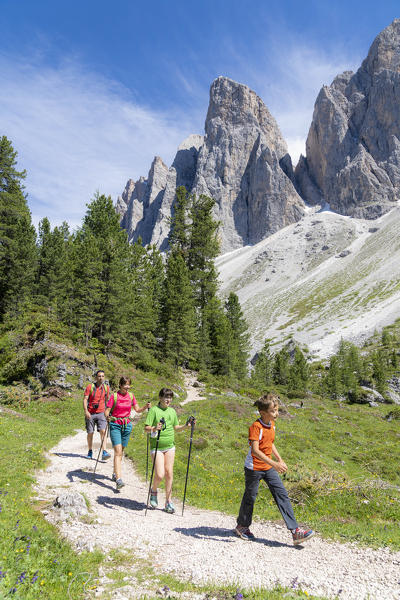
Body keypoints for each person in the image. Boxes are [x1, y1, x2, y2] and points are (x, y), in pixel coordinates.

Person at [235, 392, 314, 546]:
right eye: (273, 411)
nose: (276, 413)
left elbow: (270, 443)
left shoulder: (271, 425)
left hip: (268, 466)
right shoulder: (256, 427)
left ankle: (296, 532)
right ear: (262, 412)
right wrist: (275, 464)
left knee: (282, 494)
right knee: (250, 496)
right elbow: (255, 451)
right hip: (253, 468)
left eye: (277, 410)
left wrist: (279, 458)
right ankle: (242, 526)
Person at [144, 388, 194, 514]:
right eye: (166, 397)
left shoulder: (172, 411)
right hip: (157, 447)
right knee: (160, 474)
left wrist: (185, 426)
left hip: (170, 446)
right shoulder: (154, 411)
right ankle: (154, 491)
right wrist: (154, 428)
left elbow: (176, 427)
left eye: (170, 398)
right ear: (160, 397)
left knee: (169, 473)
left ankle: (168, 502)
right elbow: (146, 428)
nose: (168, 400)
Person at [104, 376, 150, 490]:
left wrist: (145, 407)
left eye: (129, 385)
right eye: (125, 385)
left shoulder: (131, 396)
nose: (127, 387)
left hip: (127, 425)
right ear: (120, 385)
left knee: (121, 451)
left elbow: (137, 409)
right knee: (118, 452)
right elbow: (107, 411)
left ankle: (115, 473)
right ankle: (119, 480)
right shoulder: (114, 396)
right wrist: (107, 417)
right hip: (115, 425)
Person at [83, 370, 111, 460]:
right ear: (96, 377)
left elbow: (107, 401)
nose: (101, 378)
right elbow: (85, 399)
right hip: (90, 413)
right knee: (90, 432)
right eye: (99, 376)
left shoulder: (106, 388)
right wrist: (86, 411)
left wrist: (108, 412)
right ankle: (90, 451)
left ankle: (104, 451)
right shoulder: (90, 387)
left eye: (102, 376)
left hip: (101, 413)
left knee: (103, 431)